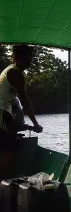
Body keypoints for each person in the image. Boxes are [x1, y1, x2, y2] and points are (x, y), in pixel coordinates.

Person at [0, 44, 43, 175]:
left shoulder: (9, 69)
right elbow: (25, 101)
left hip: (4, 112)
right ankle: (3, 184)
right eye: (28, 58)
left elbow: (17, 103)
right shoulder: (15, 73)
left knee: (7, 146)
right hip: (1, 113)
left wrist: (27, 126)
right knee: (7, 150)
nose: (30, 61)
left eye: (31, 58)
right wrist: (35, 123)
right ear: (18, 58)